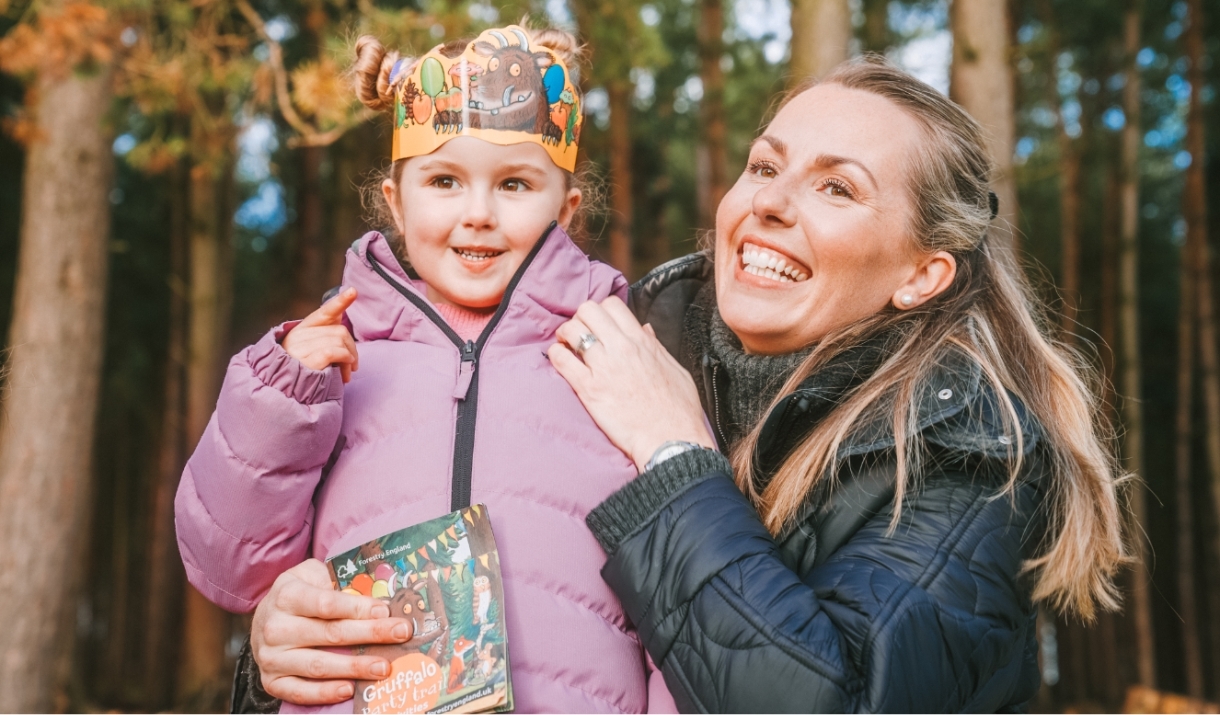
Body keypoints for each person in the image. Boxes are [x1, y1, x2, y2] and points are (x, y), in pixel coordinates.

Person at [545, 56, 1129, 712]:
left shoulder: (969, 456)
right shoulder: (626, 349)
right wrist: (411, 621)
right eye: (765, 166)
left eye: (837, 188)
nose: (768, 201)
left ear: (921, 273)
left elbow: (834, 700)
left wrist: (675, 454)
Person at [174, 25, 675, 714]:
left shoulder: (619, 359)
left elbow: (683, 603)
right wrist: (278, 400)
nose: (478, 214)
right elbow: (228, 566)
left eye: (514, 184)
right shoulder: (336, 363)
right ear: (397, 202)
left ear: (565, 210)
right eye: (444, 181)